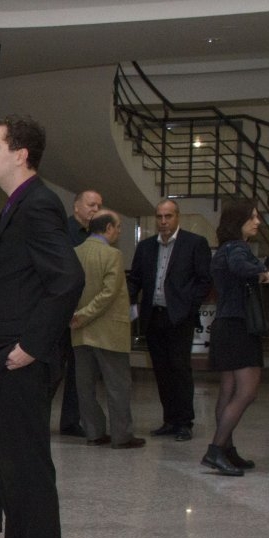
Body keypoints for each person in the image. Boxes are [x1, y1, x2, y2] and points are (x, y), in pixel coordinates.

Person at [0, 114, 84, 538]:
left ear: (21, 154)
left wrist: (29, 348)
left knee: (30, 472)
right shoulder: (19, 205)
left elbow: (67, 280)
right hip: (3, 362)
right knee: (11, 469)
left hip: (20, 363)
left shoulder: (38, 205)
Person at [128, 199, 212, 441]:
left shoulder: (194, 244)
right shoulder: (145, 247)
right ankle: (169, 420)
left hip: (179, 317)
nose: (163, 222)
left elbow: (204, 281)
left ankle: (184, 422)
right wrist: (127, 298)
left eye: (168, 217)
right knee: (162, 370)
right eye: (159, 217)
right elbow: (135, 278)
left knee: (180, 368)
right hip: (153, 317)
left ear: (178, 218)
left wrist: (187, 306)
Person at [203, 199, 269, 475]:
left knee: (229, 390)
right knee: (247, 391)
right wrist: (265, 274)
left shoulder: (226, 249)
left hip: (227, 325)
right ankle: (216, 449)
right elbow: (243, 269)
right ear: (238, 220)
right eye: (253, 217)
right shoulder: (237, 248)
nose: (258, 222)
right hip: (239, 327)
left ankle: (227, 450)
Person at [71, 210, 144, 449]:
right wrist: (86, 314)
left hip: (79, 331)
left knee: (85, 387)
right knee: (117, 386)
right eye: (119, 227)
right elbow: (109, 292)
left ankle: (94, 432)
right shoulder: (113, 255)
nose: (119, 231)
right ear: (108, 229)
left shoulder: (75, 253)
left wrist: (78, 316)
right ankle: (121, 436)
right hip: (108, 332)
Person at [54, 188, 104, 438]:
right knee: (53, 368)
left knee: (78, 370)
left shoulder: (97, 235)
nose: (95, 210)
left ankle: (71, 421)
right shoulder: (64, 231)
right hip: (62, 310)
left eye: (98, 206)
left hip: (84, 312)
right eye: (91, 205)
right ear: (76, 207)